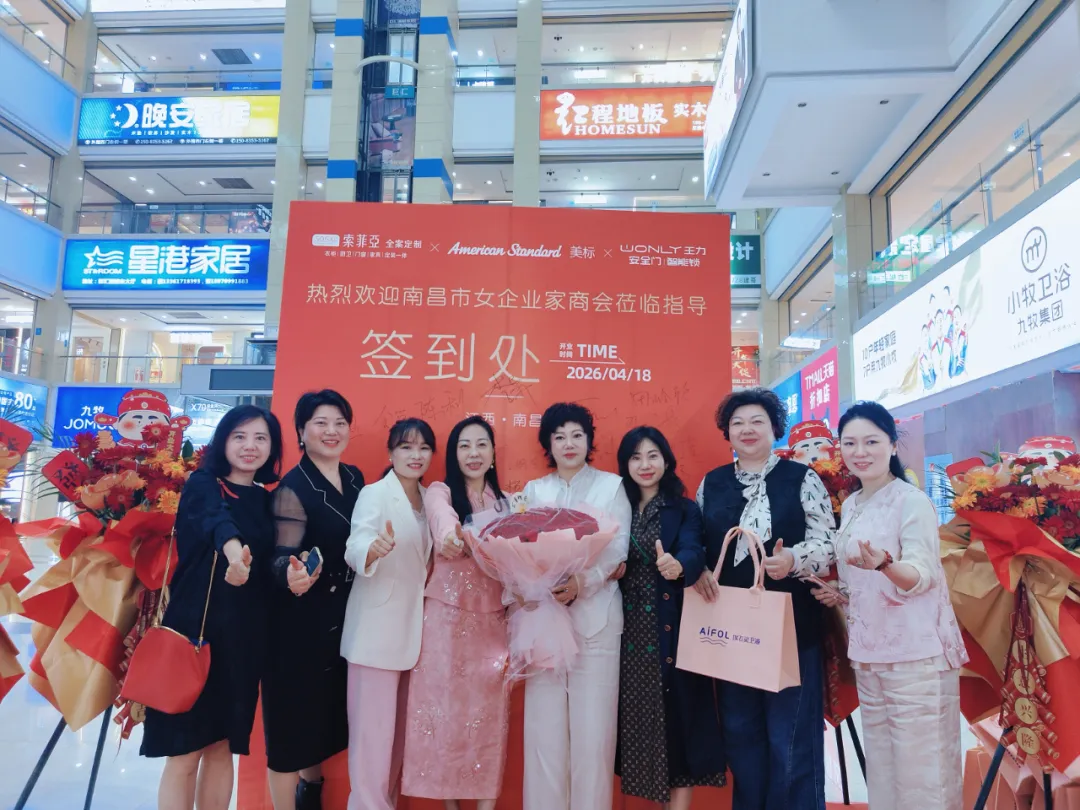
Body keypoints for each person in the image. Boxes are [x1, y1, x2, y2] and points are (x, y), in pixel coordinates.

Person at [765, 401, 967, 810]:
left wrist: (886, 565)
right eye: (850, 443)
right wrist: (840, 594)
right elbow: (863, 582)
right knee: (883, 770)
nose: (860, 452)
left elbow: (922, 576)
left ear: (892, 444)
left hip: (916, 656)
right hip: (870, 655)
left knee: (924, 773)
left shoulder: (910, 501)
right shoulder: (854, 504)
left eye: (871, 442)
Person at [695, 387, 834, 810]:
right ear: (727, 433)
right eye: (737, 423)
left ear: (775, 428)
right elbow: (697, 542)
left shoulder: (802, 478)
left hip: (791, 627)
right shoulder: (712, 483)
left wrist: (794, 559)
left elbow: (829, 541)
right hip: (730, 630)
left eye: (757, 421)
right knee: (740, 733)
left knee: (790, 737)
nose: (747, 429)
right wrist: (698, 567)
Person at [141, 404, 283, 810]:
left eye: (260, 438)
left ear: (272, 447)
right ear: (223, 442)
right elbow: (217, 522)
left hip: (243, 640)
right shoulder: (204, 484)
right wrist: (235, 555)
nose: (250, 446)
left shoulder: (268, 500)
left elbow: (272, 562)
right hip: (194, 635)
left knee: (222, 748)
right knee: (184, 752)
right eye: (240, 436)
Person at [520, 402, 632, 810]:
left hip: (596, 621)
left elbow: (618, 550)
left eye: (577, 435)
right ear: (548, 444)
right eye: (559, 436)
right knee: (543, 735)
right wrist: (532, 581)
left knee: (593, 737)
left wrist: (583, 582)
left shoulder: (612, 487)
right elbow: (519, 546)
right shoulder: (535, 491)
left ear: (589, 440)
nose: (569, 443)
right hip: (545, 622)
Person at [612, 426, 725, 810]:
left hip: (672, 632)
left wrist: (680, 566)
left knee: (680, 728)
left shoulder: (683, 507)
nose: (645, 465)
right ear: (625, 464)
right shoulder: (616, 506)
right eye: (636, 457)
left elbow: (694, 548)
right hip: (627, 637)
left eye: (653, 456)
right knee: (645, 732)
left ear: (666, 460)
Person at [402, 415, 510, 810]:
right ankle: (449, 805)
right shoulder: (440, 492)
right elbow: (441, 519)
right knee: (445, 714)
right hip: (445, 621)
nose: (473, 453)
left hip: (494, 622)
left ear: (493, 454)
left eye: (481, 444)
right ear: (453, 454)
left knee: (488, 717)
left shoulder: (508, 503)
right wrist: (450, 537)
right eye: (465, 445)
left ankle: (485, 805)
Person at [263, 390, 365, 810]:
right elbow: (280, 553)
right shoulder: (291, 488)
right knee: (291, 732)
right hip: (298, 626)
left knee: (323, 722)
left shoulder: (355, 478)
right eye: (321, 423)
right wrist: (291, 574)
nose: (332, 431)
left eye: (340, 422)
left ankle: (312, 795)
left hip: (345, 620)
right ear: (301, 431)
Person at [342, 418, 436, 810]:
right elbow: (355, 543)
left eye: (424, 448)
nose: (416, 455)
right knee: (372, 740)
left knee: (397, 741)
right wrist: (372, 550)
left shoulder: (431, 500)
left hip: (415, 636)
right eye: (406, 447)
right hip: (376, 633)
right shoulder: (375, 493)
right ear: (391, 452)